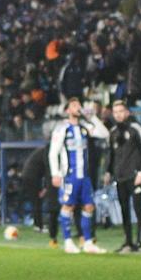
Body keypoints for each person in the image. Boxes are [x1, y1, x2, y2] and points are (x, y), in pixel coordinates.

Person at [47, 98, 109, 254]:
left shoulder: (85, 127)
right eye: (74, 105)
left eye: (79, 105)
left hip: (85, 176)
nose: (77, 107)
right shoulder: (62, 129)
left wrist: (92, 117)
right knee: (68, 206)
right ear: (67, 110)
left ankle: (87, 242)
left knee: (89, 206)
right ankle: (68, 241)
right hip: (70, 175)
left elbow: (104, 133)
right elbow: (53, 153)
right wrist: (55, 174)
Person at [106, 100, 141, 253]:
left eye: (121, 111)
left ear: (127, 112)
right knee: (124, 210)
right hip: (120, 177)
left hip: (134, 175)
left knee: (138, 209)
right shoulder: (113, 132)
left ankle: (139, 242)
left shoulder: (135, 128)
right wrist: (108, 172)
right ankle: (128, 241)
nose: (118, 115)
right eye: (115, 112)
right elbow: (111, 155)